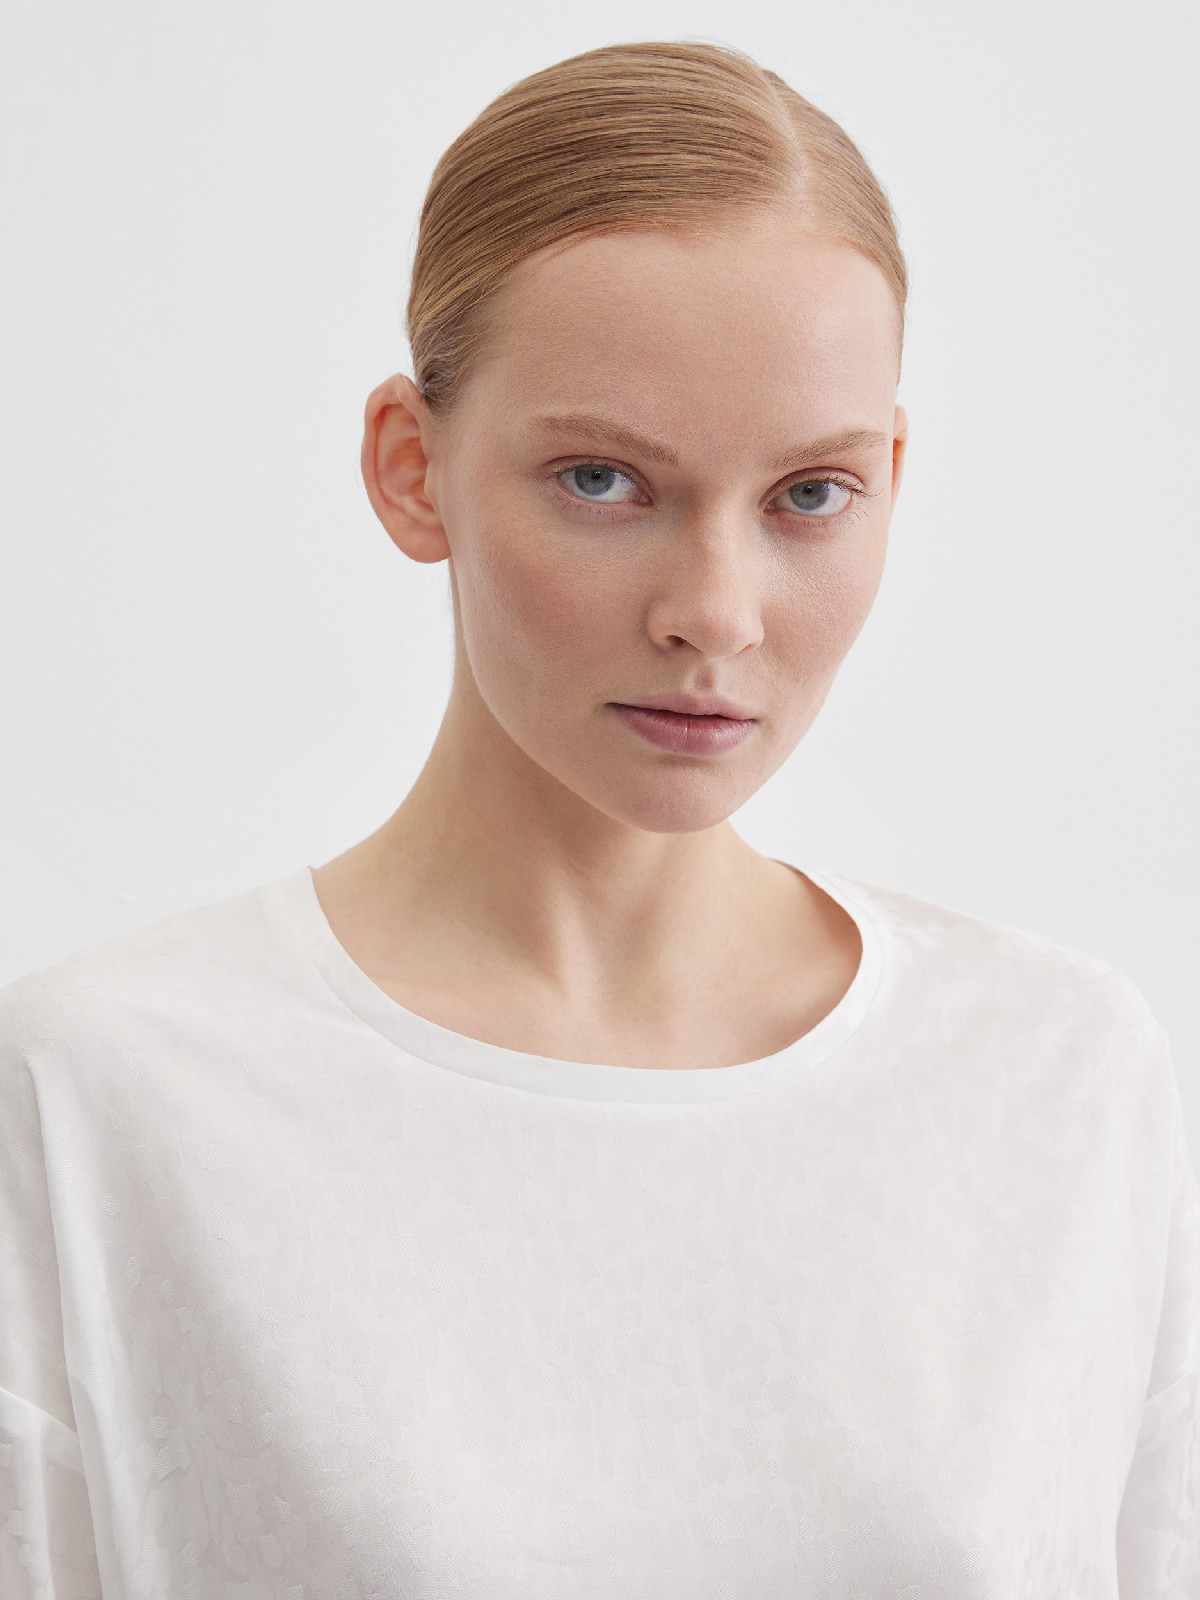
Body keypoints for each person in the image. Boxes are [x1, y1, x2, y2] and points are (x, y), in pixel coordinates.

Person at [1, 38, 1196, 1598]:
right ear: (411, 470)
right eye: (602, 481)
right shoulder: (108, 1089)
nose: (717, 613)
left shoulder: (1057, 1076)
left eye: (810, 495)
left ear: (892, 477)